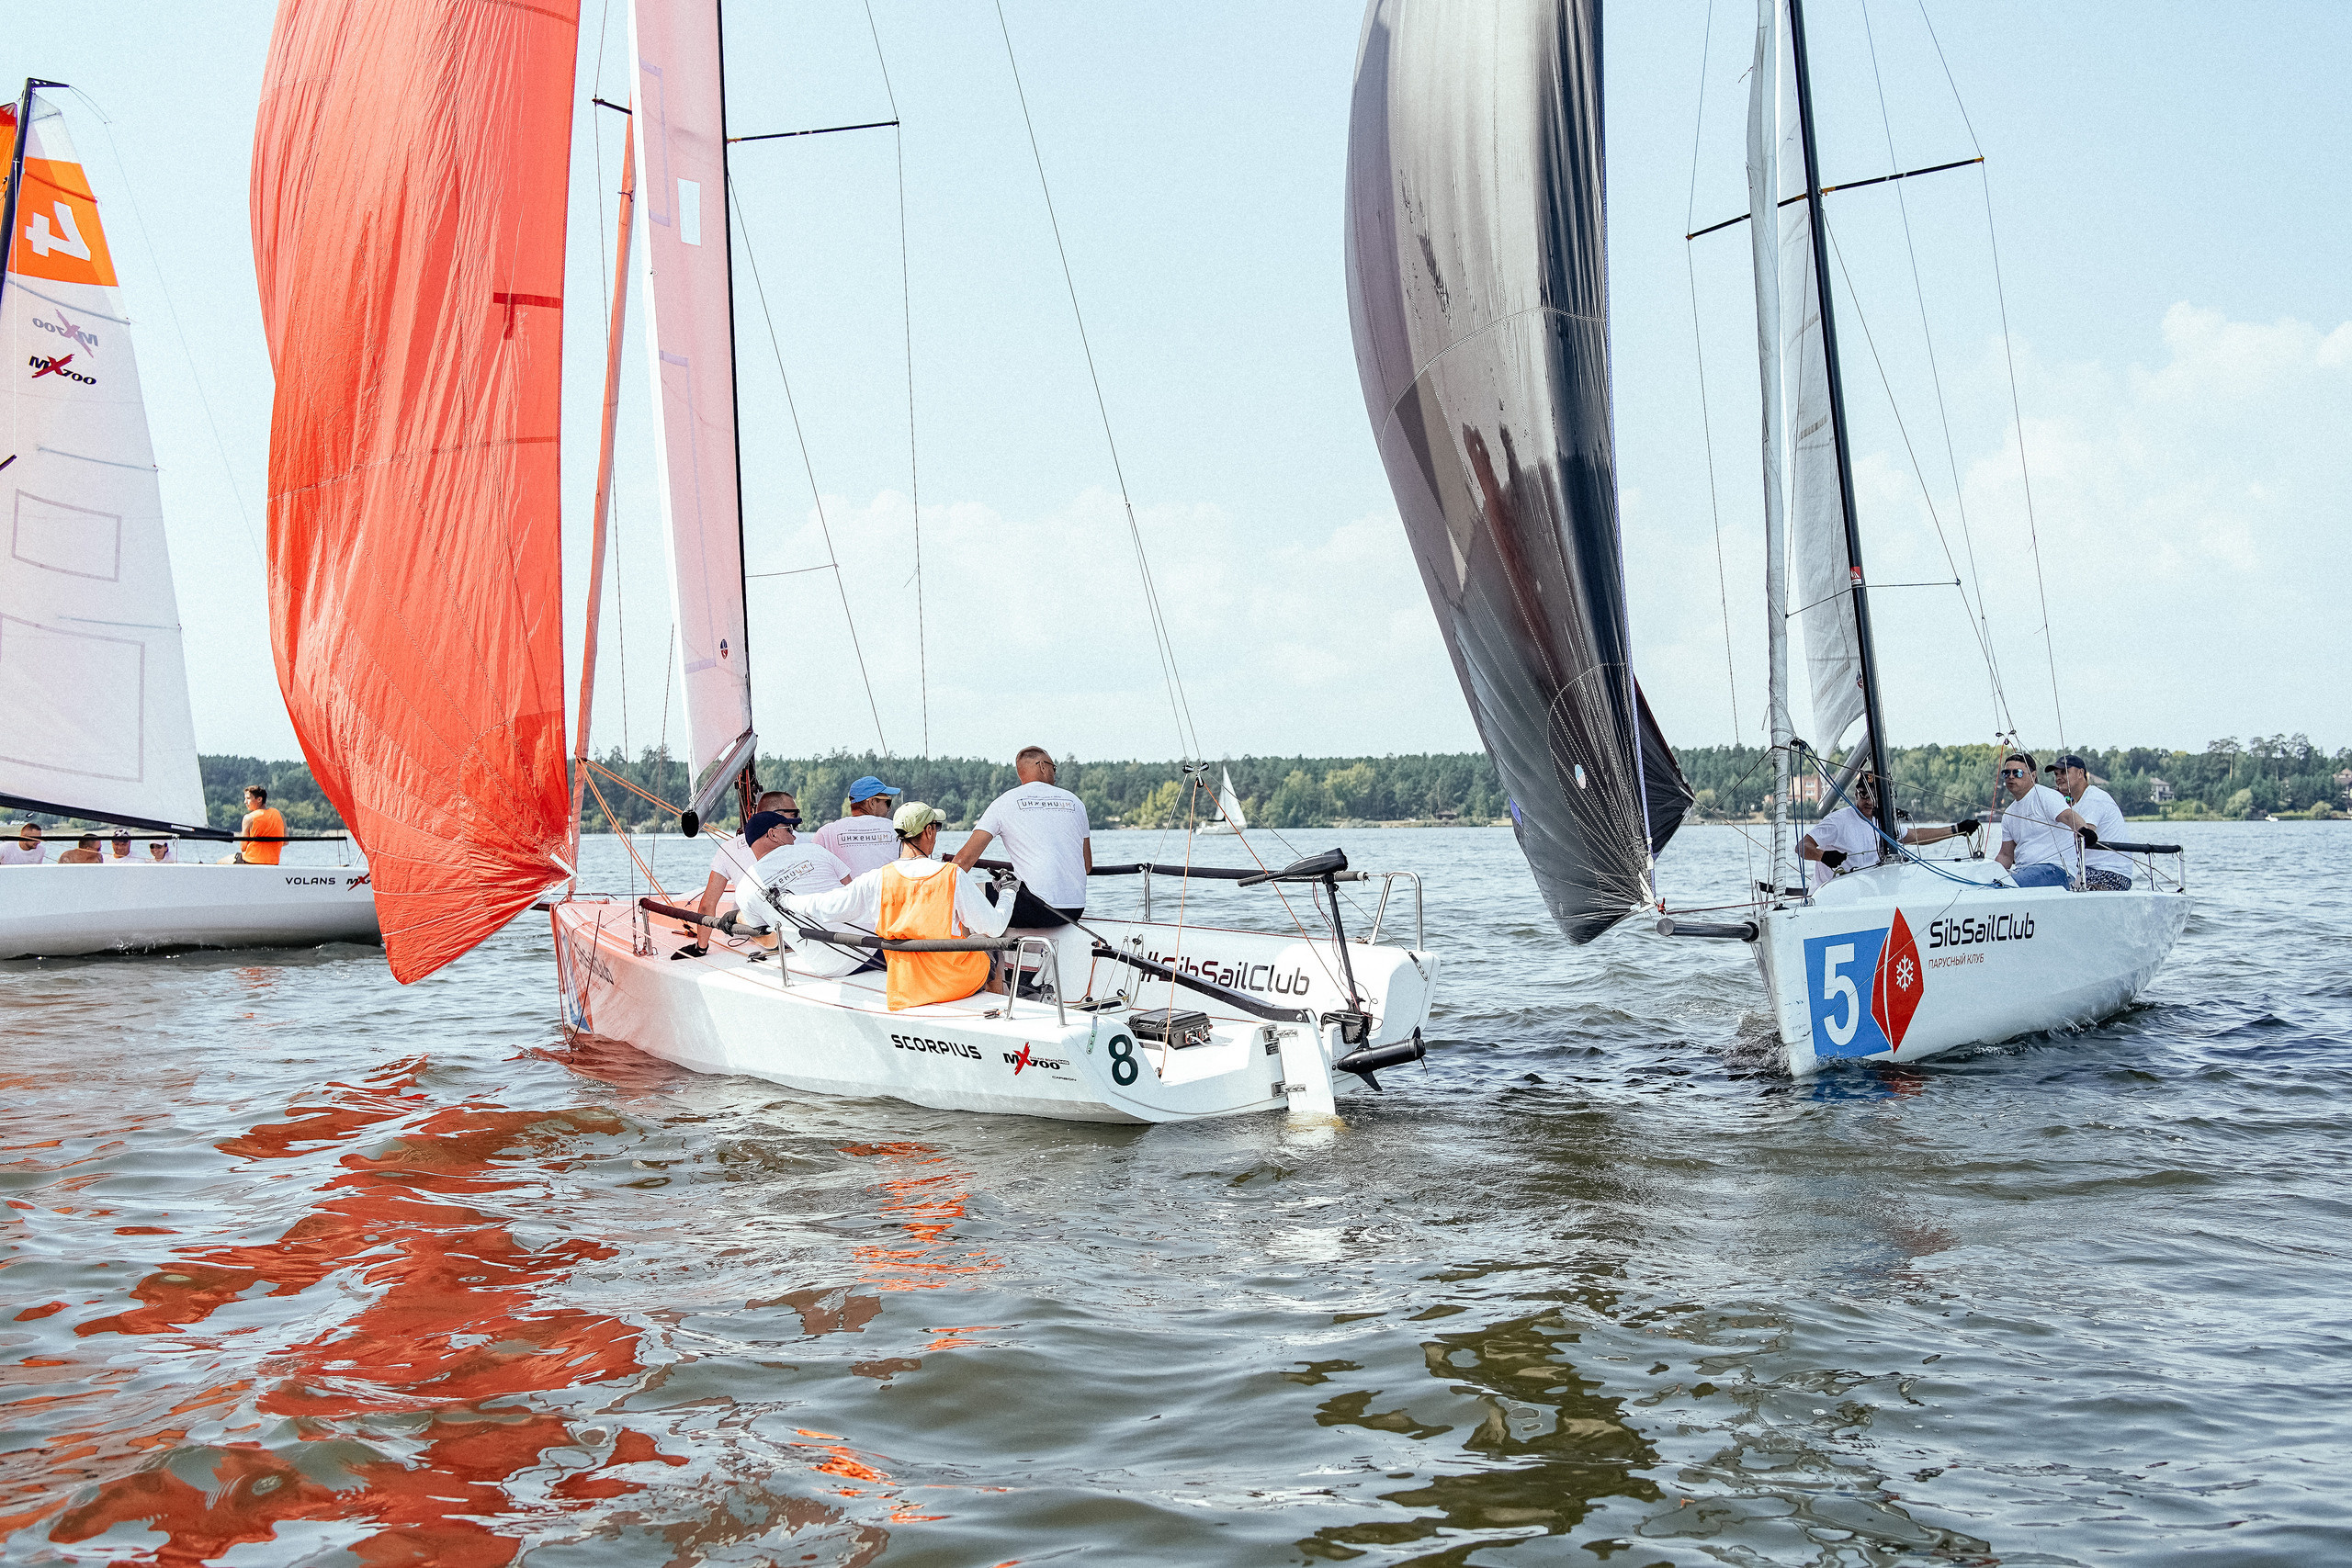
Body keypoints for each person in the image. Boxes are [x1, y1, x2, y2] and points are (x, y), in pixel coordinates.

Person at [783, 802, 1014, 1010]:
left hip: (906, 988)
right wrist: (1007, 892)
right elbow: (994, 927)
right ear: (929, 831)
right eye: (937, 827)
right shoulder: (951, 875)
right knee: (986, 942)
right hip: (953, 983)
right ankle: (995, 1009)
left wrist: (785, 900)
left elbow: (827, 906)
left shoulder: (878, 878)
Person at [951, 746, 1091, 928]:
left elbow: (963, 862)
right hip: (1074, 910)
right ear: (1042, 766)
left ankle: (975, 954)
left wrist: (930, 891)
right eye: (1053, 767)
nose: (1054, 773)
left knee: (961, 895)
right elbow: (1086, 865)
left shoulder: (1003, 802)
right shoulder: (1075, 802)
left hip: (1033, 908)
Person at [673, 789, 797, 957]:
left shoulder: (729, 848)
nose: (798, 819)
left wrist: (700, 948)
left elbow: (708, 903)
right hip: (801, 937)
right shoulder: (802, 842)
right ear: (775, 814)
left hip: (754, 939)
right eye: (794, 814)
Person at [1798, 773, 1979, 887]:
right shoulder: (1838, 821)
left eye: (1875, 797)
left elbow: (1916, 836)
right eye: (1864, 795)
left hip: (1864, 897)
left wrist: (1957, 828)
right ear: (1856, 794)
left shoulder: (1882, 822)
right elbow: (1801, 847)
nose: (1869, 801)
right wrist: (1823, 856)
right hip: (1830, 897)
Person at [1994, 750, 2098, 888]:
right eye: (2006, 773)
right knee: (1991, 884)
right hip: (2024, 871)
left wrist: (2083, 830)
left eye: (2017, 773)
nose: (2011, 777)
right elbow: (2006, 855)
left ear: (2032, 775)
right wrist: (1988, 872)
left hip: (2056, 870)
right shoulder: (2008, 814)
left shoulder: (2045, 796)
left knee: (2007, 885)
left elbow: (2068, 816)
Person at [2046, 753, 2133, 891]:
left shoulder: (2093, 797)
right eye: (2056, 774)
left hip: (2110, 874)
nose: (2058, 778)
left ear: (2080, 773)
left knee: (2052, 880)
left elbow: (2083, 836)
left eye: (2064, 772)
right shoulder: (2076, 804)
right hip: (2090, 871)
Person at [812, 775, 901, 877]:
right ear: (872, 803)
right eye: (888, 802)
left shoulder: (826, 833)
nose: (889, 808)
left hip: (845, 892)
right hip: (886, 892)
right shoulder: (897, 829)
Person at [236, 786, 287, 865]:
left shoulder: (249, 818)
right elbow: (285, 842)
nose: (245, 802)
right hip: (273, 862)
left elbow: (243, 847)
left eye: (248, 798)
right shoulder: (279, 814)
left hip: (250, 860)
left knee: (220, 863)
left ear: (259, 799)